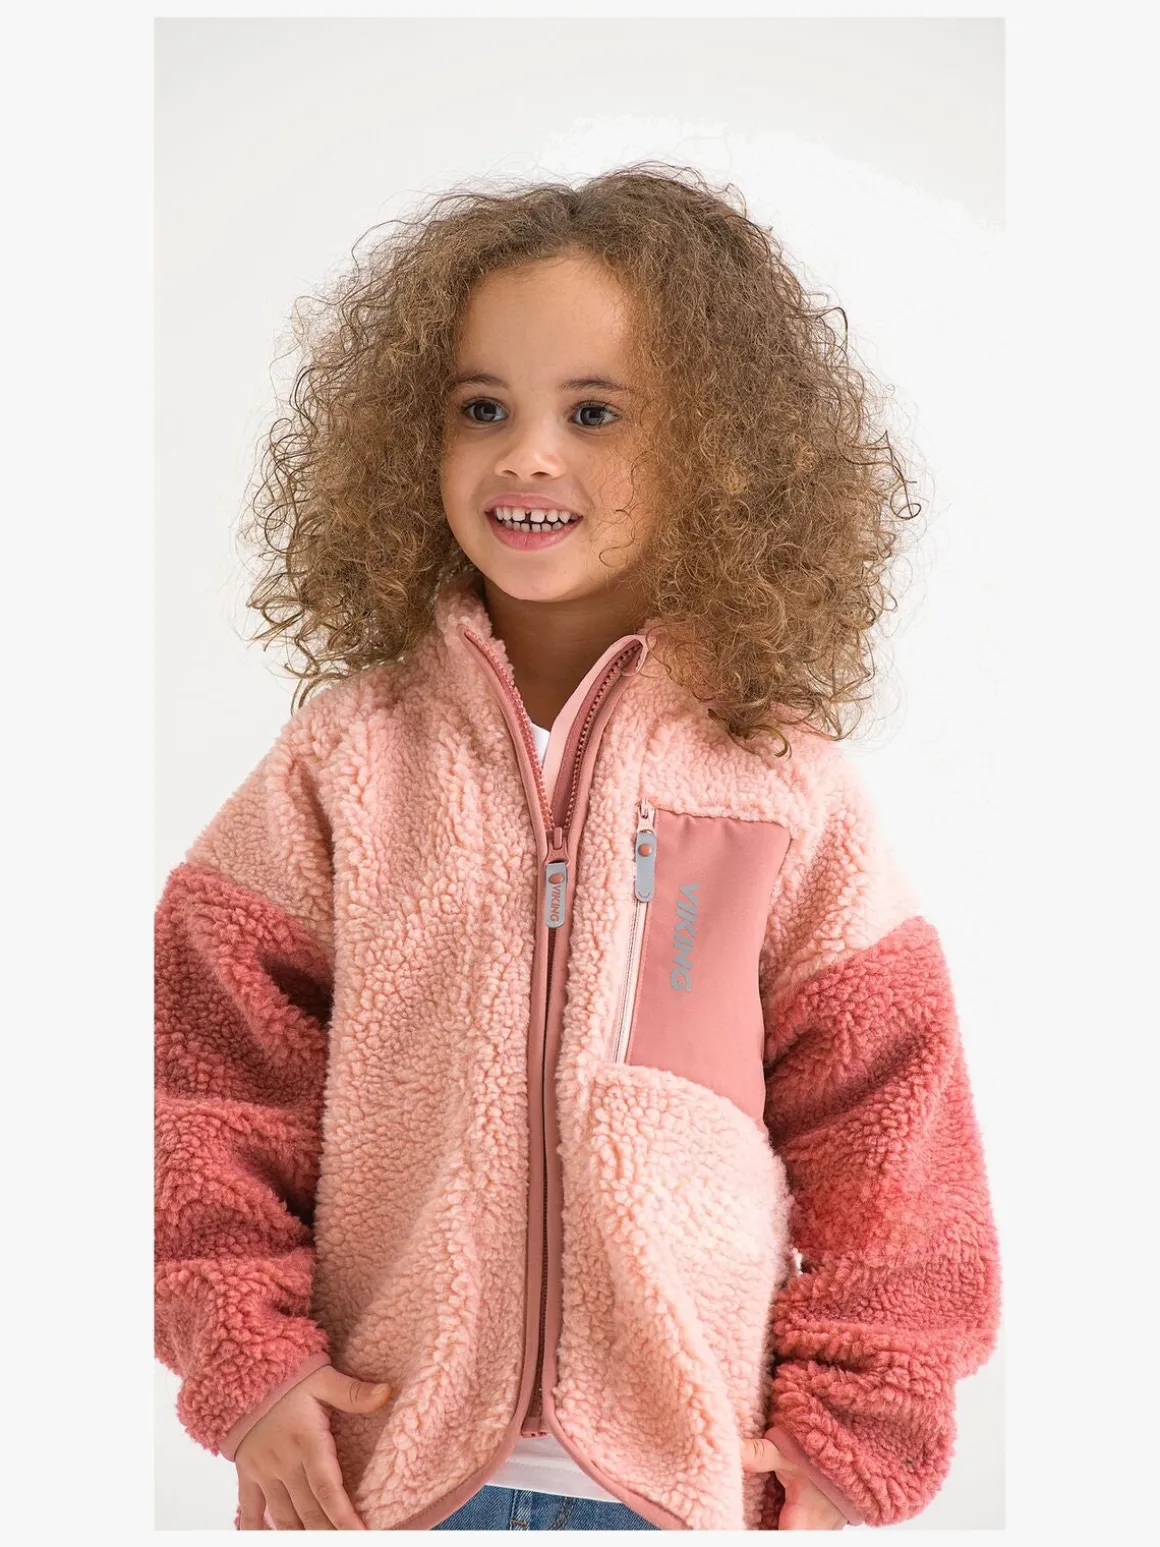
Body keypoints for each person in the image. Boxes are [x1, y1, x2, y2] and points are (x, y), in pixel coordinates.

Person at [154, 163, 1001, 1532]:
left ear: (719, 451)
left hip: (685, 1477)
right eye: (482, 407)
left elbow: (891, 1136)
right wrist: (249, 1361)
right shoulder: (345, 763)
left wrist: (858, 1424)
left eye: (594, 412)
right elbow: (199, 1092)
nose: (527, 454)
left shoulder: (781, 785)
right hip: (375, 1469)